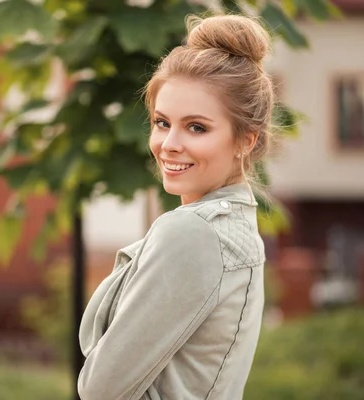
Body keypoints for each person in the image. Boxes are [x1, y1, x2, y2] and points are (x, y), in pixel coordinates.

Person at [78, 13, 275, 400]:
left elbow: (98, 389)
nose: (168, 143)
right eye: (162, 122)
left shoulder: (192, 232)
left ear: (245, 141)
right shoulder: (239, 228)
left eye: (196, 127)